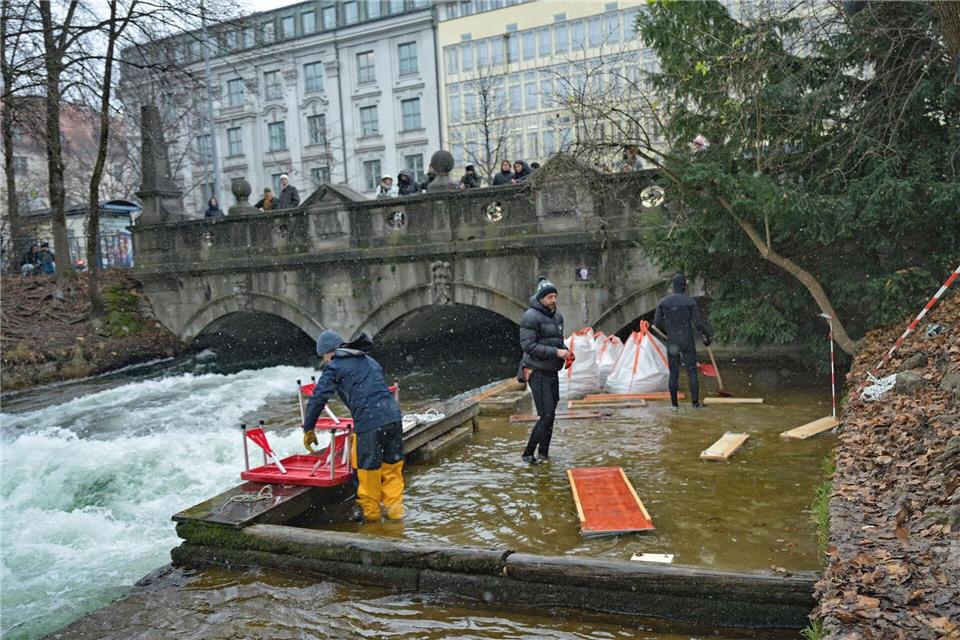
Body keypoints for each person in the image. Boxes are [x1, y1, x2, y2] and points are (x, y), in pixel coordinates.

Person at [302, 330, 405, 522]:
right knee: (392, 470)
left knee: (367, 472)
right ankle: (396, 517)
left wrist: (308, 428)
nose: (324, 361)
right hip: (394, 418)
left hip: (369, 424)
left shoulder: (334, 367)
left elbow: (318, 398)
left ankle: (371, 523)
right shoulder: (369, 360)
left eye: (324, 357)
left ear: (329, 353)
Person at [517, 276, 571, 464]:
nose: (553, 300)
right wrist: (556, 352)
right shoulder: (530, 317)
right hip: (535, 370)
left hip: (551, 370)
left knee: (551, 414)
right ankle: (527, 454)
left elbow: (558, 341)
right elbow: (528, 347)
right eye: (549, 297)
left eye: (555, 296)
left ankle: (544, 453)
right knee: (546, 414)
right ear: (541, 298)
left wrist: (567, 351)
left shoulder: (558, 316)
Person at [654, 272, 712, 409]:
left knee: (673, 373)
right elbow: (698, 324)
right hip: (687, 340)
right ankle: (695, 404)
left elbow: (656, 324)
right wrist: (707, 336)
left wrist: (667, 332)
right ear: (684, 286)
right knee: (692, 372)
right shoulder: (690, 301)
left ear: (673, 286)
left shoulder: (663, 303)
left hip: (672, 341)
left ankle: (674, 405)